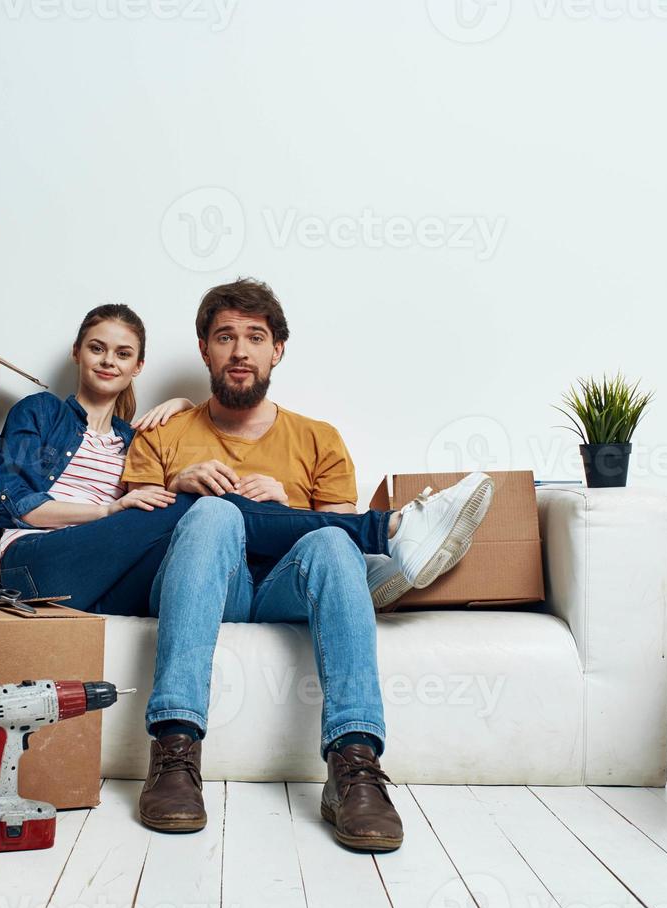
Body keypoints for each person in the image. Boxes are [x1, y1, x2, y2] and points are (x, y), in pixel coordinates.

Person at [123, 278, 494, 853]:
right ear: (204, 350)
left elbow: (340, 547)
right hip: (198, 582)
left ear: (278, 351)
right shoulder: (163, 434)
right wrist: (179, 490)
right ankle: (174, 752)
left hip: (280, 588)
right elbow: (128, 536)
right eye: (225, 337)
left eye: (255, 337)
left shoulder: (319, 439)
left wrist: (289, 507)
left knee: (329, 540)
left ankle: (356, 763)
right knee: (216, 516)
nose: (240, 351)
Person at [0, 303, 194, 614]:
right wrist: (108, 510)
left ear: (138, 366)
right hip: (32, 563)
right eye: (97, 348)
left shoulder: (136, 442)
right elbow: (16, 507)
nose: (108, 361)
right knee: (184, 507)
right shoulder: (40, 412)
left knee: (196, 513)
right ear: (77, 352)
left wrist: (185, 405)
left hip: (102, 576)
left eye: (123, 354)